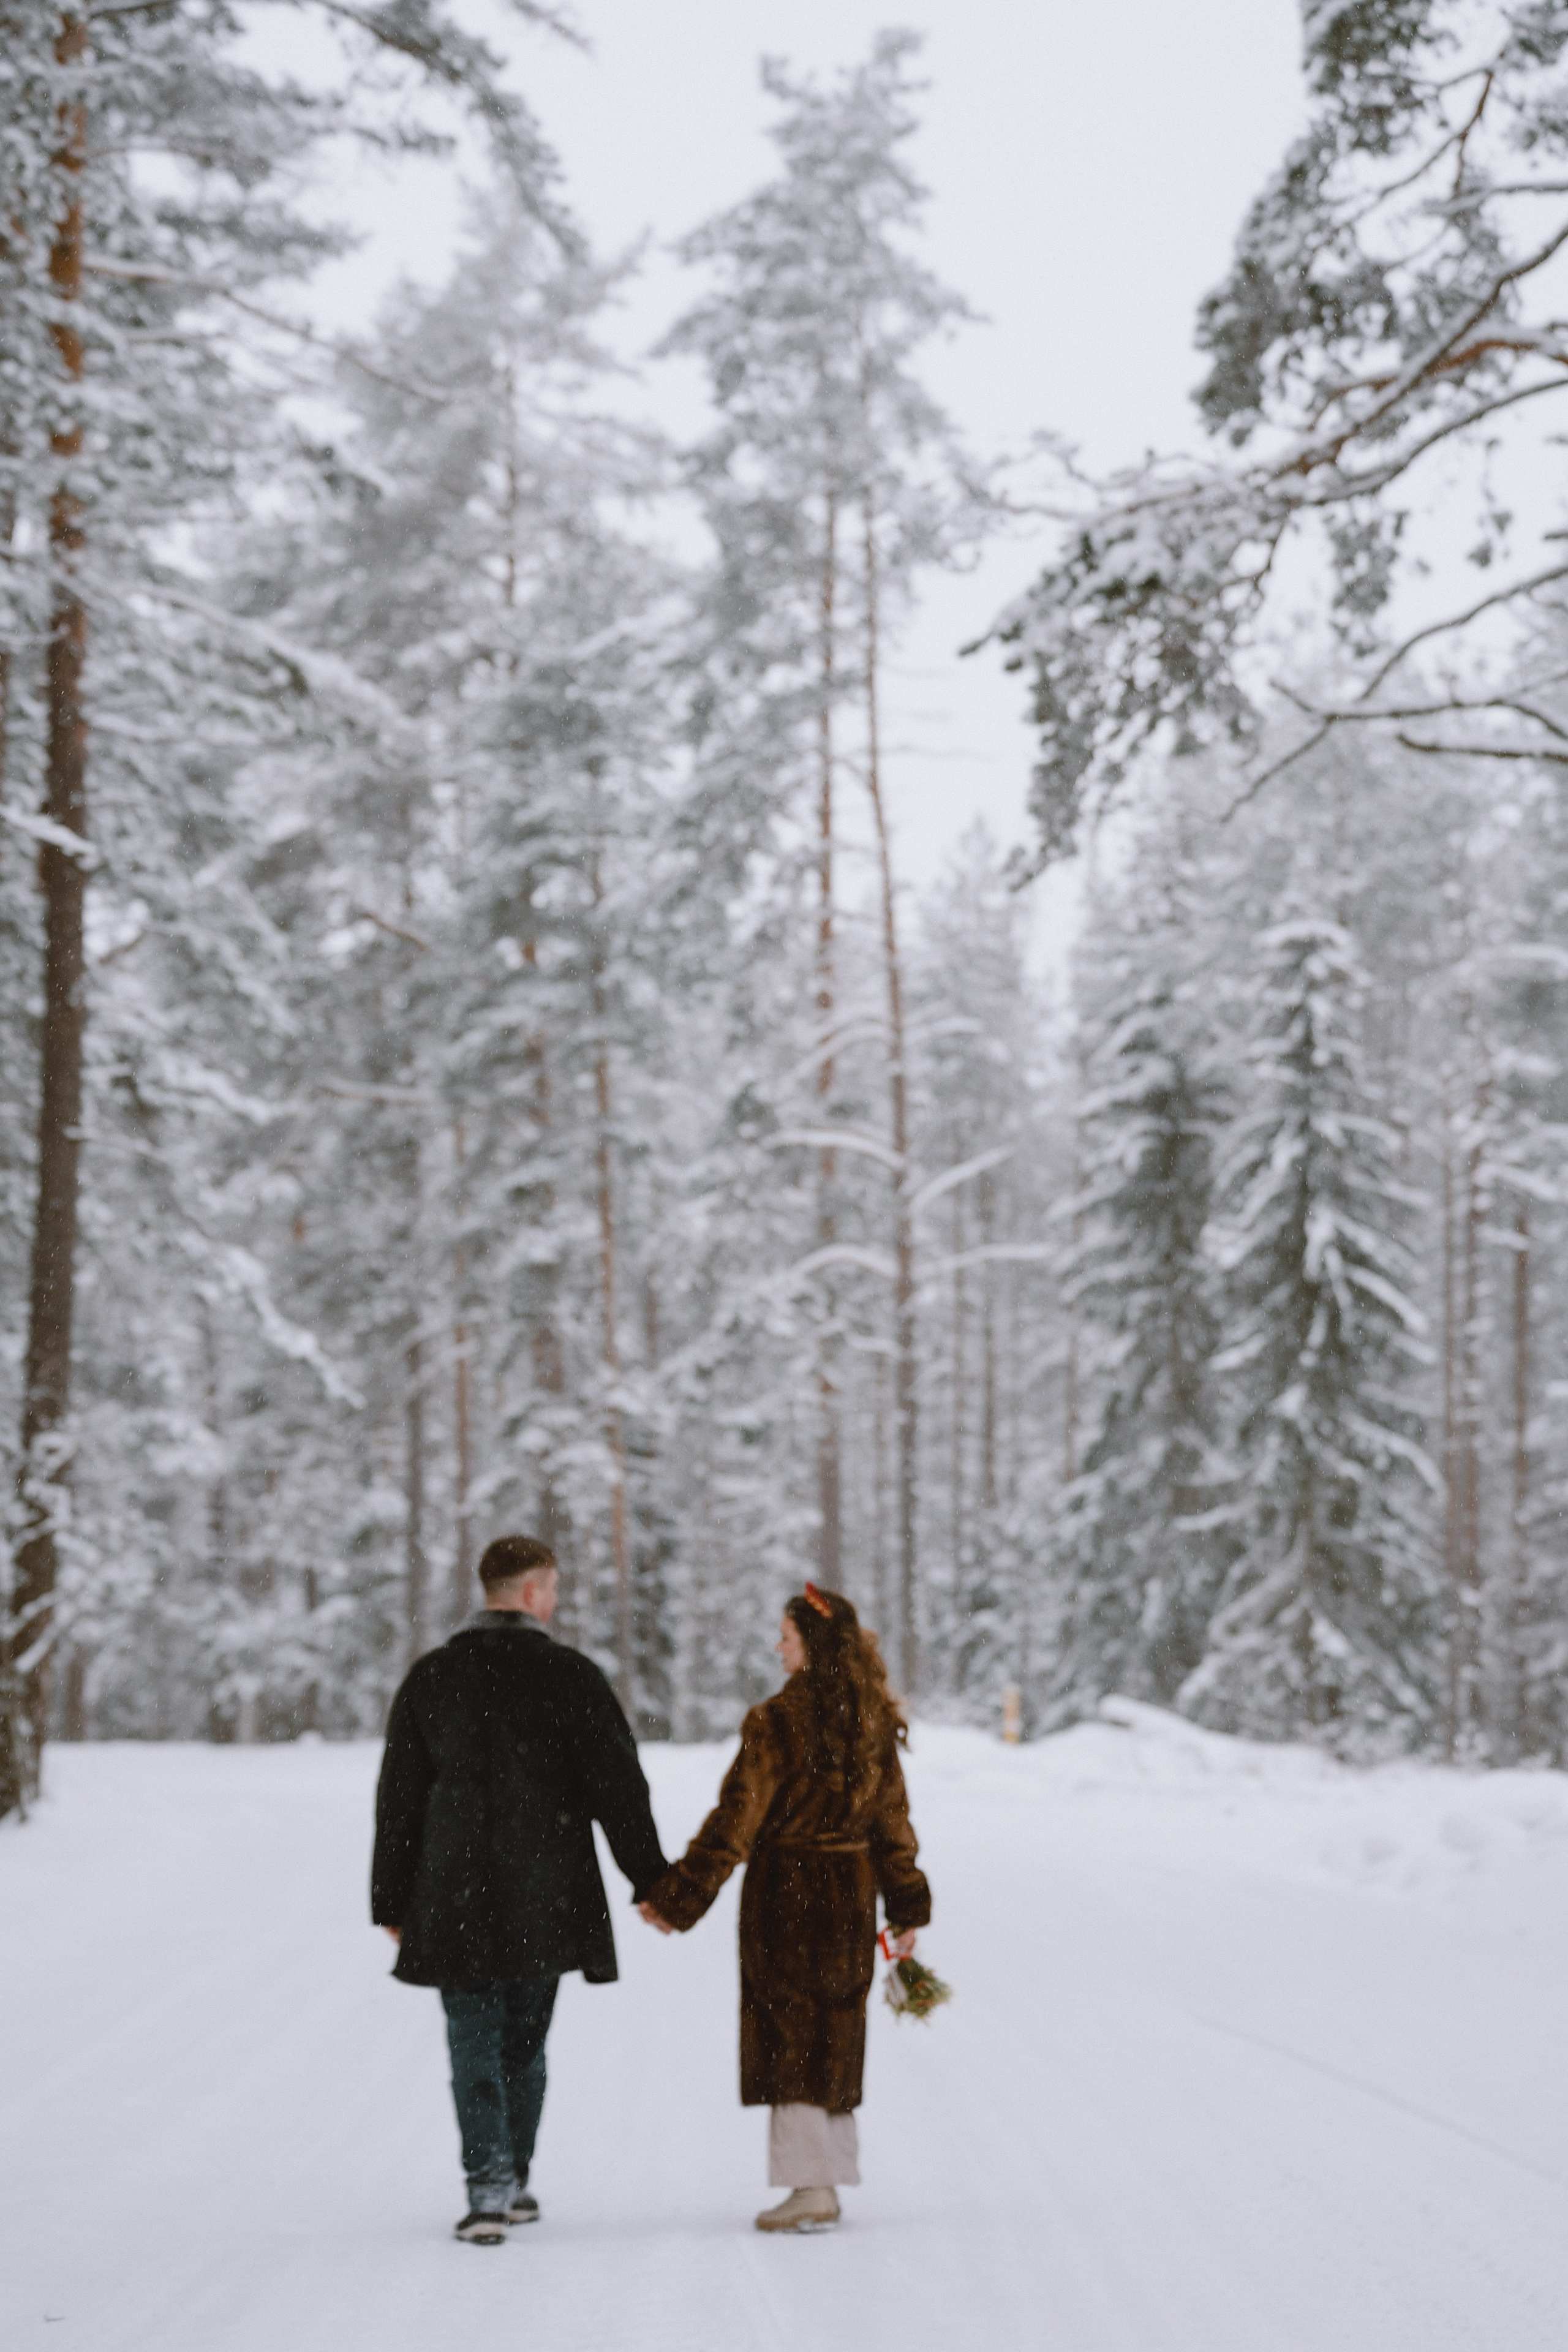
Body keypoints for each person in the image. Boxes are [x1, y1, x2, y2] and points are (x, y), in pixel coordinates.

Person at [372, 1534, 668, 2245]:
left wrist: (392, 1896)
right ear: (534, 1593)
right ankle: (515, 2177)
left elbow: (400, 1796)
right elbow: (618, 1788)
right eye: (555, 1590)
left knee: (471, 2037)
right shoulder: (570, 1676)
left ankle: (488, 2186)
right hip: (548, 1888)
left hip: (453, 1888)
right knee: (524, 2042)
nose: (556, 1602)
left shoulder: (433, 1677)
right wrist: (652, 1881)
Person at [638, 1582, 930, 2234]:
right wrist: (905, 1905)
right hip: (850, 1892)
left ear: (813, 1644)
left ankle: (809, 2188)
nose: (777, 1647)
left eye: (787, 1637)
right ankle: (826, 2177)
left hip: (788, 1894)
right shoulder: (872, 1722)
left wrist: (679, 1897)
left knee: (790, 2031)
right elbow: (894, 1825)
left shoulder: (777, 1721)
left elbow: (735, 1820)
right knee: (835, 2029)